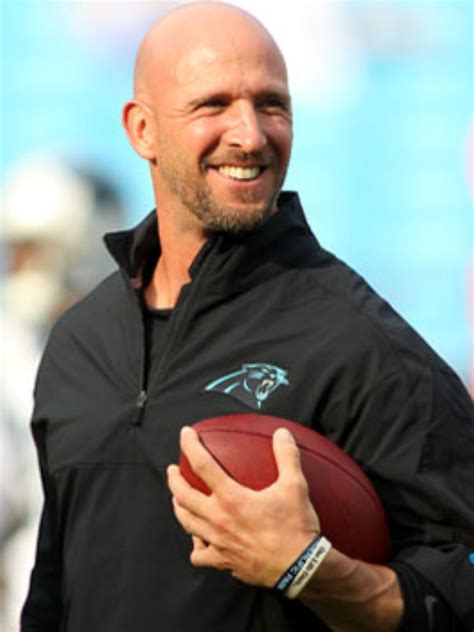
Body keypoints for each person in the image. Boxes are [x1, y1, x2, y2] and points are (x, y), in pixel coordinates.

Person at [21, 3, 473, 631]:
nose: (251, 135)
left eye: (272, 104)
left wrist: (309, 568)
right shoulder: (79, 344)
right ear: (142, 129)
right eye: (213, 105)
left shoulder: (362, 344)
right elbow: (52, 594)